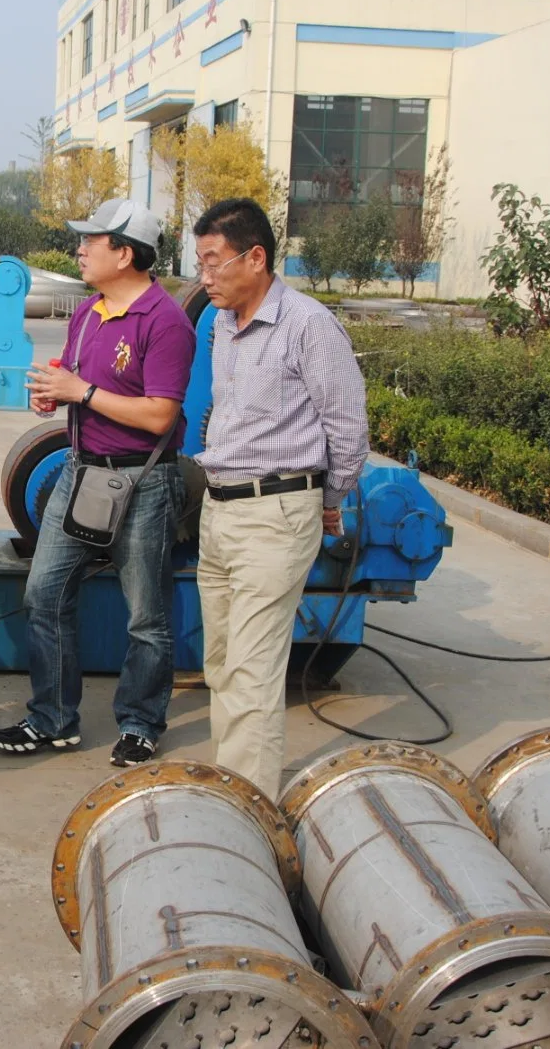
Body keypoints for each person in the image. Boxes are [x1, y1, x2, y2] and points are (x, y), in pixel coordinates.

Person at [0, 200, 195, 767]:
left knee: (146, 616)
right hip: (81, 475)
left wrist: (82, 394)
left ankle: (141, 722)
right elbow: (81, 387)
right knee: (44, 593)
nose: (79, 250)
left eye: (91, 241)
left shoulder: (164, 322)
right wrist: (55, 395)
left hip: (144, 484)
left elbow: (159, 417)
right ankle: (52, 719)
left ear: (125, 252)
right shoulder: (88, 313)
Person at [190, 197, 369, 798]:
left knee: (251, 673)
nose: (204, 277)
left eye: (214, 263)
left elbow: (347, 428)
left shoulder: (308, 326)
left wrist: (328, 497)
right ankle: (232, 786)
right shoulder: (223, 323)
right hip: (219, 512)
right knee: (219, 664)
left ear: (256, 257)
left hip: (277, 513)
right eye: (200, 263)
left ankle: (246, 809)